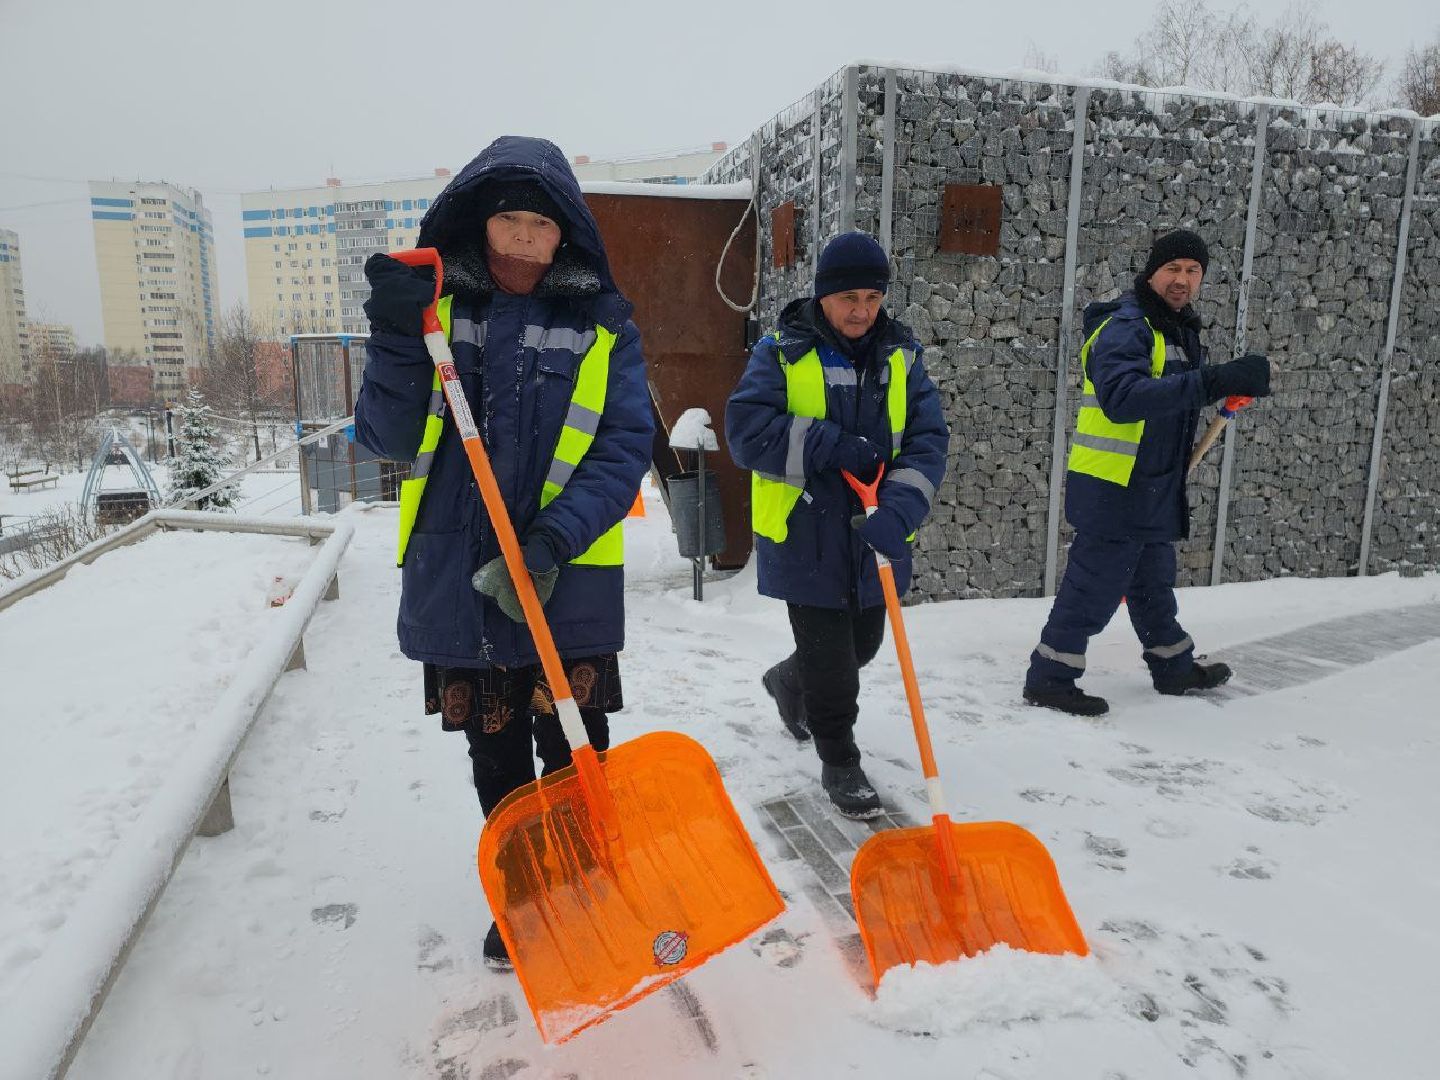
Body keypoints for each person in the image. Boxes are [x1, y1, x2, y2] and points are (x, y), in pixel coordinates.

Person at [353, 136, 653, 969]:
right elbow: (382, 436)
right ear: (480, 225)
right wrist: (393, 334)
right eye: (508, 219)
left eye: (541, 224)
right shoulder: (436, 314)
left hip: (566, 577)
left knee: (575, 742)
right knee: (497, 753)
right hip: (463, 578)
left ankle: (584, 881)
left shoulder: (602, 324)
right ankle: (525, 890)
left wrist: (554, 539)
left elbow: (625, 442)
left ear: (569, 236)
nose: (524, 238)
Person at [726, 232, 949, 818]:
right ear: (824, 295)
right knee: (831, 662)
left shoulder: (902, 356)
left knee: (863, 646)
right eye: (849, 296)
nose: (861, 310)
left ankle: (787, 681)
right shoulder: (783, 350)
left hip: (877, 530)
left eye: (873, 298)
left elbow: (927, 442)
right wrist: (831, 446)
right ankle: (839, 756)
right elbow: (748, 431)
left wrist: (899, 509)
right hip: (807, 533)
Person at [1023, 230, 1271, 716]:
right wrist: (1215, 380)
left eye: (1193, 270)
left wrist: (1222, 388)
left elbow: (1177, 396)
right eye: (1173, 269)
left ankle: (1173, 667)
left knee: (1154, 581)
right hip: (1114, 486)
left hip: (1155, 483)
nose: (1183, 279)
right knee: (1093, 586)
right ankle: (1049, 677)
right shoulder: (1126, 327)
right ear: (1152, 272)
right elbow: (1123, 400)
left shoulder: (1175, 330)